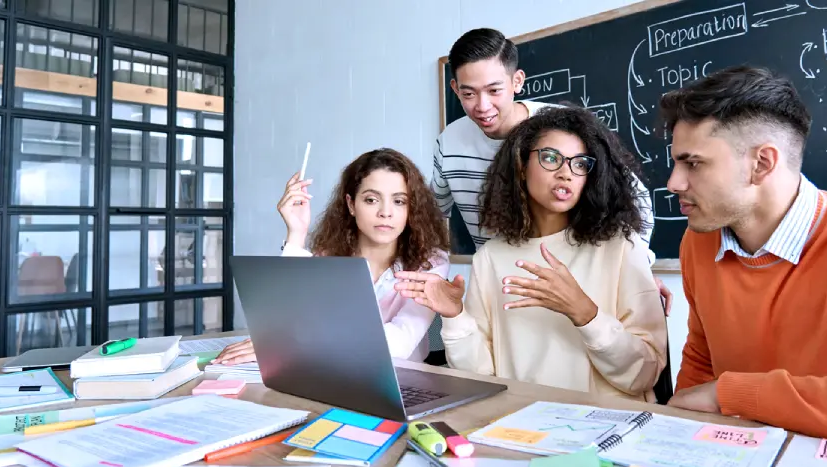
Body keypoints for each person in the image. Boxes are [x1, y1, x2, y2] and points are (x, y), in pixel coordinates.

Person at [661, 65, 827, 446]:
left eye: (692, 163)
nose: (673, 183)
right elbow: (702, 359)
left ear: (762, 163)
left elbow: (716, 390)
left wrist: (731, 395)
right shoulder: (698, 241)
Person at [397, 105, 668, 401]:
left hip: (604, 431)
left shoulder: (621, 247)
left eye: (579, 163)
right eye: (551, 158)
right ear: (521, 166)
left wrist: (585, 313)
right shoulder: (491, 257)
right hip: (518, 427)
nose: (566, 173)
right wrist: (454, 315)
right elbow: (481, 376)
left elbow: (644, 375)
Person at [433, 27, 673, 313]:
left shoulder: (562, 130)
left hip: (574, 289)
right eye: (468, 93)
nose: (482, 106)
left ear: (517, 81)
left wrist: (635, 270)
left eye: (494, 90)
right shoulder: (448, 142)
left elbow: (637, 200)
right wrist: (433, 274)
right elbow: (433, 215)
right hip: (499, 288)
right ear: (454, 89)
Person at [213, 148, 451, 365]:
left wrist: (295, 342)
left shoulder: (431, 262)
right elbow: (285, 320)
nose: (385, 212)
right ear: (351, 204)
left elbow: (400, 344)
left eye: (399, 201)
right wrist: (296, 233)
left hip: (403, 382)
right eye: (371, 200)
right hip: (329, 371)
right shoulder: (329, 255)